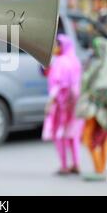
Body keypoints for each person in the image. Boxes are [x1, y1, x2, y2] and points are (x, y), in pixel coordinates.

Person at [80, 37, 107, 181]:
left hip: (98, 108)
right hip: (102, 108)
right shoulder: (103, 63)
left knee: (91, 138)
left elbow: (100, 87)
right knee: (102, 138)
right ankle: (100, 168)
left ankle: (99, 169)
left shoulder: (102, 65)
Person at [42, 34, 84, 175]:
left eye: (56, 45)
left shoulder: (60, 62)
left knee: (59, 135)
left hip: (61, 104)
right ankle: (76, 164)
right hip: (74, 103)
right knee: (73, 135)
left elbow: (57, 85)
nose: (55, 48)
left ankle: (64, 165)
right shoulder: (75, 61)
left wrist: (50, 103)